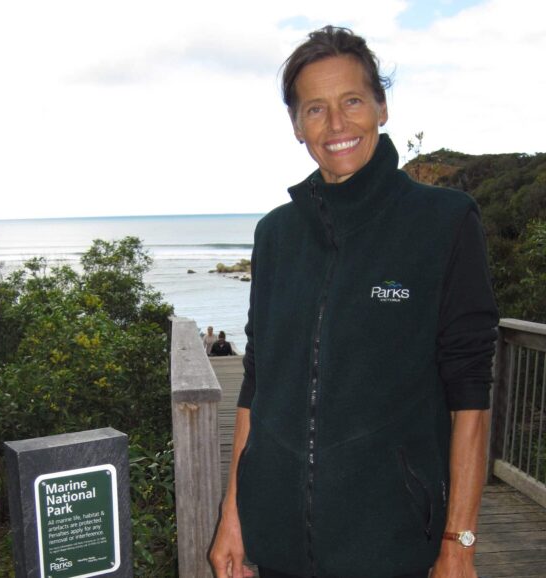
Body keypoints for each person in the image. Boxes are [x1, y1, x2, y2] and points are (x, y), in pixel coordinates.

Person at [210, 26, 498, 578]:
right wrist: (233, 516)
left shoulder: (444, 222)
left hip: (393, 544)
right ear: (297, 126)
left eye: (352, 101)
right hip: (277, 541)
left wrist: (458, 541)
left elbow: (469, 393)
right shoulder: (277, 235)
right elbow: (257, 384)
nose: (336, 124)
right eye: (315, 109)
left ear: (381, 108)